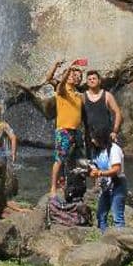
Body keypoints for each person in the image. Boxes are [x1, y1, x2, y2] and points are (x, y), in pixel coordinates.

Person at [46, 61, 85, 196]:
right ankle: (53, 187)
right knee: (59, 159)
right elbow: (49, 79)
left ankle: (73, 184)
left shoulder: (78, 94)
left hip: (76, 130)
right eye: (72, 75)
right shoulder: (62, 90)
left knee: (77, 158)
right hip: (63, 130)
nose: (75, 77)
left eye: (76, 76)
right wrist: (61, 67)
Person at [89, 128, 126, 232]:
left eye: (94, 138)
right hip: (105, 186)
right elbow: (94, 167)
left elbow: (116, 169)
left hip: (118, 184)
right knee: (100, 215)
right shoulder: (97, 151)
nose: (92, 141)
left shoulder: (114, 149)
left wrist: (100, 173)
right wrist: (92, 173)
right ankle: (103, 238)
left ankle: (121, 239)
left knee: (117, 216)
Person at [82, 69, 122, 144]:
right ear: (87, 82)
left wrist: (115, 131)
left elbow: (117, 112)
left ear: (99, 81)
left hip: (107, 135)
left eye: (94, 78)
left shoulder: (107, 95)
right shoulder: (83, 97)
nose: (92, 81)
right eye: (89, 79)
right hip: (90, 137)